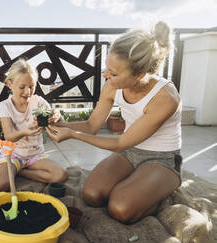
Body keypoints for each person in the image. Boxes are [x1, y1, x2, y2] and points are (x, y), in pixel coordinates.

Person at [46, 21, 182, 224]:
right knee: (91, 195)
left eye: (114, 73)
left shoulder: (165, 98)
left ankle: (161, 187)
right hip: (130, 152)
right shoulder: (112, 86)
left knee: (120, 208)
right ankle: (138, 185)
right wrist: (61, 123)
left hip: (161, 159)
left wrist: (73, 135)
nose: (106, 75)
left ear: (140, 74)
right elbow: (92, 125)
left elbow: (120, 143)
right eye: (107, 68)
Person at [0, 59, 68, 192]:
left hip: (35, 155)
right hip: (13, 155)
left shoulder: (39, 102)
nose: (28, 91)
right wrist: (25, 132)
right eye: (22, 87)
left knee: (61, 175)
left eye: (31, 86)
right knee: (0, 185)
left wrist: (57, 115)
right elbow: (9, 137)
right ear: (10, 84)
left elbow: (61, 124)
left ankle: (20, 172)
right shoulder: (5, 106)